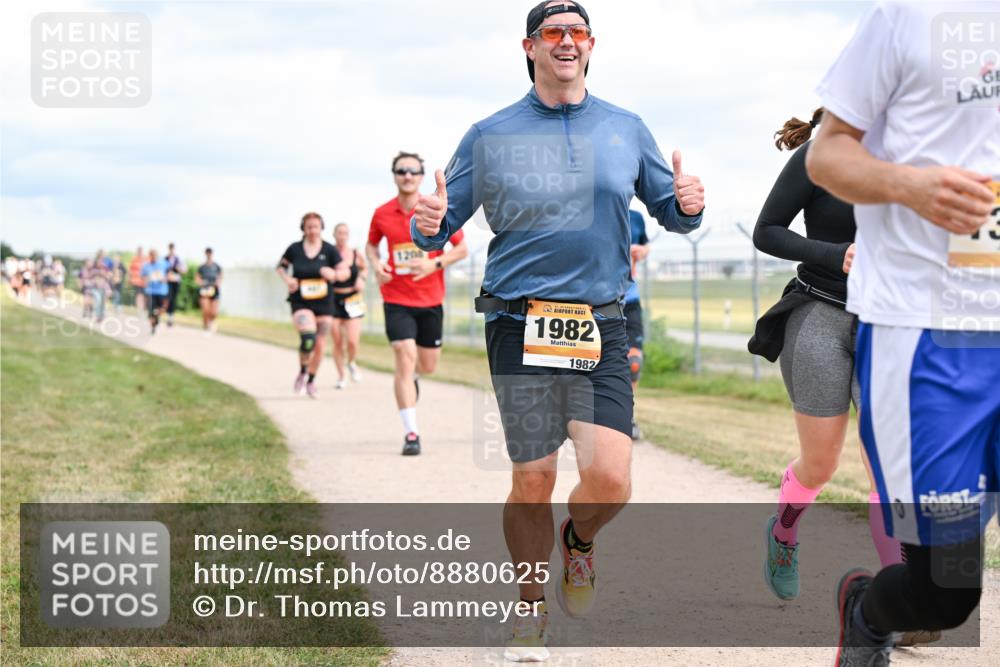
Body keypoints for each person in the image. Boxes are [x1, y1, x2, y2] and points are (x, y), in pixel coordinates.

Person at [410, 2, 705, 660]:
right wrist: (427, 219)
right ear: (531, 46)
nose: (566, 41)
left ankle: (578, 542)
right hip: (519, 322)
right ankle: (528, 610)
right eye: (554, 32)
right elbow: (438, 222)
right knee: (533, 478)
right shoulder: (490, 134)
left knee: (613, 479)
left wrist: (689, 203)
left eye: (577, 32)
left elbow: (670, 212)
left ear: (591, 46)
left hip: (599, 322)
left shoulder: (626, 128)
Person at [805, 3, 999, 665]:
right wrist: (908, 185)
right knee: (945, 591)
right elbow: (826, 155)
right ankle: (868, 609)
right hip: (929, 333)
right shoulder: (907, 15)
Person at [749, 110, 921, 621]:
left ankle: (899, 597)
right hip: (820, 313)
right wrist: (836, 253)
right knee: (821, 463)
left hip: (887, 324)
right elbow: (767, 231)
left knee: (886, 467)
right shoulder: (820, 154)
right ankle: (784, 530)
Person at [367, 151, 468, 455]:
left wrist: (433, 266)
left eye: (412, 171)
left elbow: (461, 250)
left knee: (427, 365)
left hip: (430, 300)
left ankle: (413, 380)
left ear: (421, 176)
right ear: (394, 175)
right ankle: (412, 433)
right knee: (403, 353)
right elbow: (371, 245)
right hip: (396, 298)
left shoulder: (433, 209)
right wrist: (375, 265)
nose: (407, 176)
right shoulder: (382, 213)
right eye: (401, 171)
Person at [277, 212, 350, 399]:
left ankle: (310, 380)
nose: (312, 230)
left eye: (316, 226)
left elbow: (345, 272)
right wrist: (288, 279)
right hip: (301, 300)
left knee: (319, 345)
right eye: (309, 226)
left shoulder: (329, 250)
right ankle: (302, 371)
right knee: (308, 338)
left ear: (321, 228)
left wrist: (333, 274)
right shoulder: (294, 249)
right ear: (303, 228)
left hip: (324, 303)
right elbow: (281, 267)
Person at [330, 223, 368, 389]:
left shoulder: (355, 254)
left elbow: (364, 269)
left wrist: (361, 279)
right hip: (332, 300)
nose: (342, 235)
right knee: (338, 341)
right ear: (334, 234)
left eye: (345, 232)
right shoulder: (328, 253)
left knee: (352, 341)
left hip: (353, 299)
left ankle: (351, 362)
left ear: (348, 235)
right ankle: (341, 376)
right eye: (339, 232)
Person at [624, 209, 649, 441]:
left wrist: (642, 251)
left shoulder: (636, 217)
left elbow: (645, 244)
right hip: (594, 301)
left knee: (633, 363)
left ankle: (627, 417)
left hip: (629, 300)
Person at [141, 248, 171, 334]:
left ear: (157, 256)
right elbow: (142, 276)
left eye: (154, 255)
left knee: (161, 309)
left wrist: (165, 278)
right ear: (149, 256)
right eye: (151, 255)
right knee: (150, 311)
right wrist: (146, 279)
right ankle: (153, 326)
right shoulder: (146, 265)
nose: (153, 257)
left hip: (161, 291)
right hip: (150, 291)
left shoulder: (164, 263)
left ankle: (156, 319)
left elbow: (170, 272)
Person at [196, 248, 223, 333]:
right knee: (206, 309)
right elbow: (197, 278)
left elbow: (221, 276)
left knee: (214, 312)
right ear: (205, 254)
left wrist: (218, 283)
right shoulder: (201, 267)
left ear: (212, 254)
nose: (209, 254)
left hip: (214, 290)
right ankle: (206, 325)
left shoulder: (217, 266)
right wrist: (201, 282)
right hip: (204, 290)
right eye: (207, 253)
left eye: (210, 253)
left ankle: (212, 322)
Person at [164, 243, 187, 327]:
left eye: (172, 248)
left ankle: (170, 317)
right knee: (168, 298)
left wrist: (179, 269)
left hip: (175, 282)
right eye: (170, 248)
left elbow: (184, 270)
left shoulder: (179, 259)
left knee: (173, 299)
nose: (171, 250)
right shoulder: (164, 259)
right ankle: (167, 315)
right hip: (167, 282)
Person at [129, 247, 147, 313]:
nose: (140, 252)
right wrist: (130, 278)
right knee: (138, 294)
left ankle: (144, 307)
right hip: (136, 281)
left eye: (141, 251)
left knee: (144, 295)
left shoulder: (145, 259)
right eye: (139, 251)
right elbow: (130, 269)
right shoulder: (134, 259)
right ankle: (139, 308)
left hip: (144, 281)